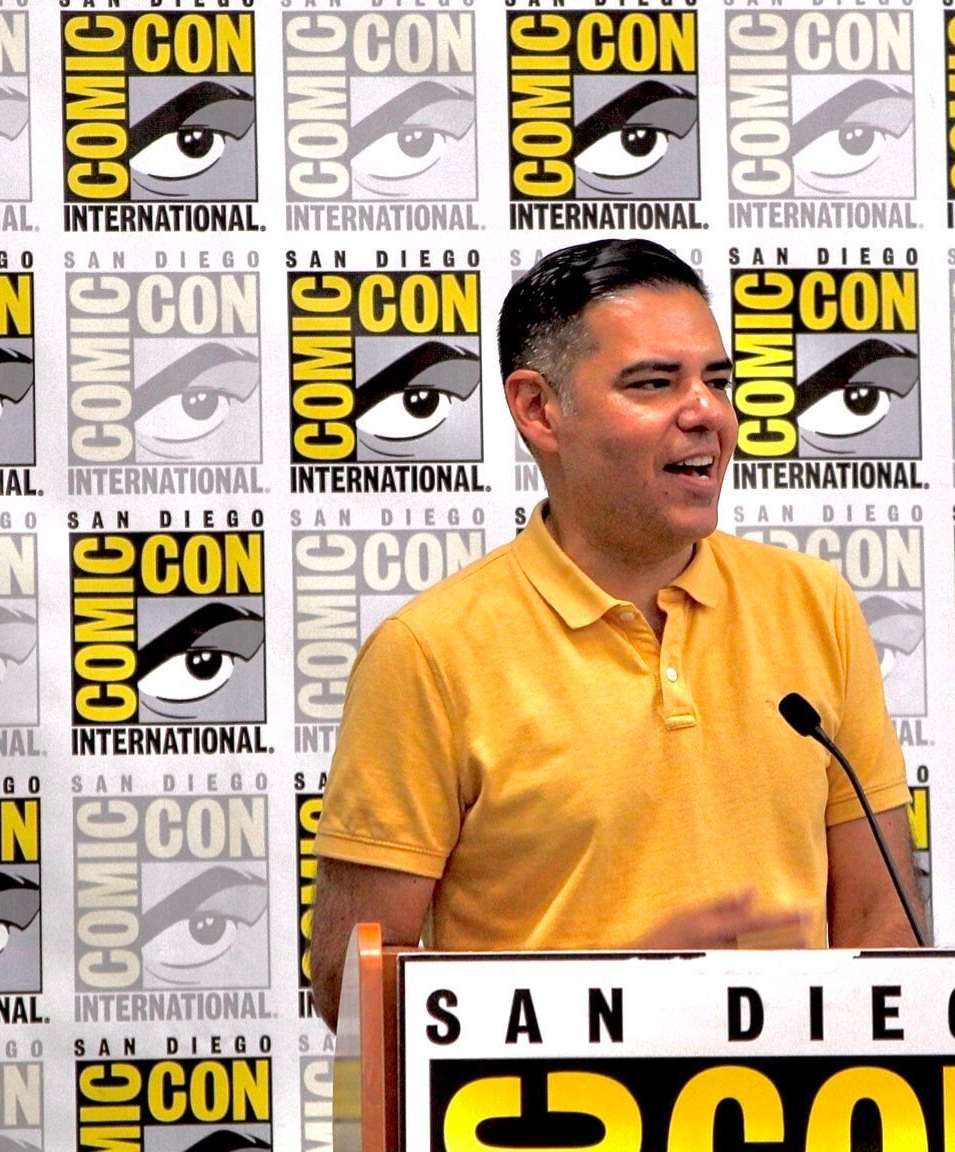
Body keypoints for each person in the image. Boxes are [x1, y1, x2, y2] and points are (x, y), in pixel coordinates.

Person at [307, 238, 919, 1032]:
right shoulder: (430, 652)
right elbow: (353, 988)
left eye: (717, 381)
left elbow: (882, 925)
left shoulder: (814, 603)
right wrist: (631, 996)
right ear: (538, 409)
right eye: (654, 383)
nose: (706, 412)